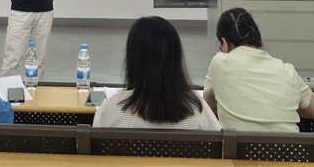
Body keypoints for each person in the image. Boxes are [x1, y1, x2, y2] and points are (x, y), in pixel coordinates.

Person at [202, 7, 314, 132]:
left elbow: (208, 108)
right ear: (257, 41)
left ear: (224, 43)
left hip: (237, 145)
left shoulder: (219, 62)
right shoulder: (287, 70)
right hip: (288, 145)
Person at [93, 16, 221, 130]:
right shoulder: (197, 109)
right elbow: (221, 142)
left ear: (133, 59)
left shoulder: (113, 108)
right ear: (175, 59)